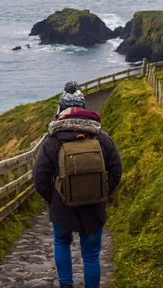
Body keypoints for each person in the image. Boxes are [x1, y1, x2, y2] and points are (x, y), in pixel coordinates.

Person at [33, 81, 122, 288]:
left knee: (62, 243)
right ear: (84, 108)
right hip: (94, 205)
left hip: (62, 206)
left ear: (61, 110)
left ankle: (66, 284)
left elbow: (39, 178)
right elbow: (116, 170)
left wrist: (55, 197)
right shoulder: (102, 137)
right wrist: (103, 191)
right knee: (91, 255)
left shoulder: (52, 141)